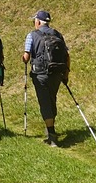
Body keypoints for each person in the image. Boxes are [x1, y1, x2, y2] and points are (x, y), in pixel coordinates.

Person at [22, 9, 69, 147]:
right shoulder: (57, 34)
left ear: (37, 21)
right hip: (56, 73)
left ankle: (52, 134)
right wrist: (66, 75)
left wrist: (24, 59)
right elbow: (67, 56)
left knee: (44, 102)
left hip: (40, 74)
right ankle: (50, 129)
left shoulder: (32, 35)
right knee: (52, 99)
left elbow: (26, 57)